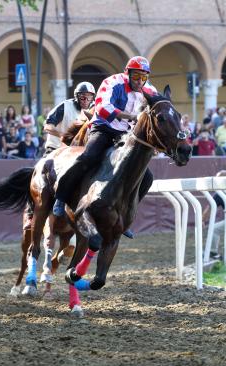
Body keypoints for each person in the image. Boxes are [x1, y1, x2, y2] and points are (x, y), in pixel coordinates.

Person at [53, 56, 158, 239]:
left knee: (147, 177)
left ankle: (126, 217)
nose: (139, 81)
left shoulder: (149, 90)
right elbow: (102, 108)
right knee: (87, 157)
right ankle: (60, 198)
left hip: (127, 136)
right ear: (128, 73)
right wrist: (131, 117)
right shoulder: (112, 82)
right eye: (136, 77)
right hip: (104, 128)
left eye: (143, 77)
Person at [43, 81, 96, 152]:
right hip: (55, 148)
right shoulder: (65, 106)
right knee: (48, 162)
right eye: (82, 97)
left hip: (77, 151)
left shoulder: (93, 109)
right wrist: (64, 136)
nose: (86, 100)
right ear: (77, 96)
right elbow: (47, 127)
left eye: (89, 97)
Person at [202, 170, 226, 260]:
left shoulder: (219, 193)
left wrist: (202, 221)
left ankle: (213, 252)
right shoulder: (219, 194)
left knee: (214, 229)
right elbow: (209, 209)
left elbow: (208, 209)